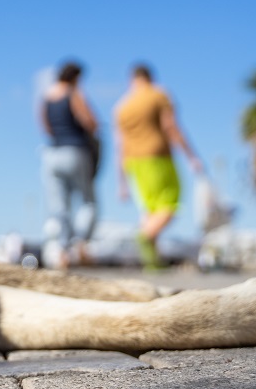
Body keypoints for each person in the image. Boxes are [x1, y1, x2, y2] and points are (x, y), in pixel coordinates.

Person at [113, 62, 203, 269]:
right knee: (170, 203)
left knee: (150, 210)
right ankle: (145, 236)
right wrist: (191, 156)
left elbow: (120, 145)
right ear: (150, 77)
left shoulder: (122, 107)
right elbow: (170, 126)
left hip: (132, 163)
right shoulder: (158, 94)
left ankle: (153, 263)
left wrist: (122, 182)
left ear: (132, 80)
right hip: (157, 156)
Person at [39, 60, 101, 269]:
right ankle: (80, 243)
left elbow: (45, 127)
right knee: (87, 201)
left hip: (51, 154)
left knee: (59, 207)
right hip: (75, 151)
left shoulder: (46, 96)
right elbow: (90, 122)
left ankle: (62, 250)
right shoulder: (73, 93)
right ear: (75, 77)